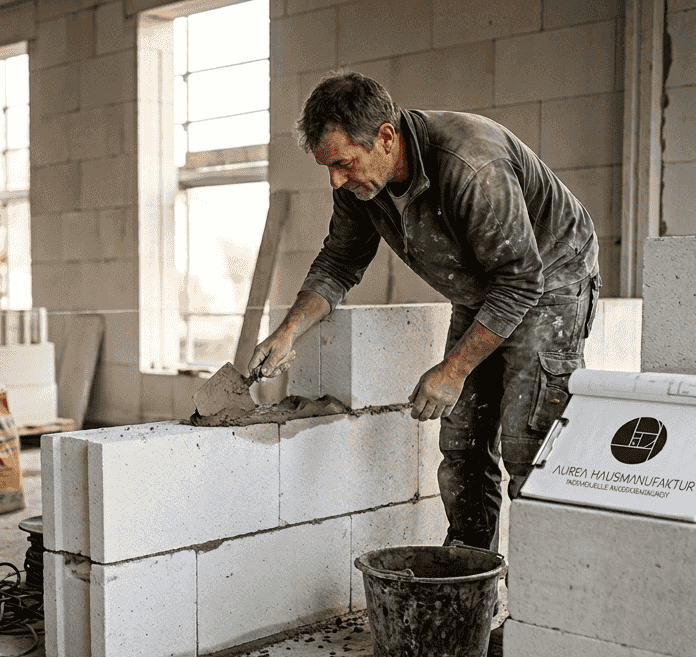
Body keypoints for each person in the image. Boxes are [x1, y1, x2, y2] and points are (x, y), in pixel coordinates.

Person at [248, 71, 600, 555]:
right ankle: (468, 581)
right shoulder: (359, 185)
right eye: (328, 167)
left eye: (344, 163)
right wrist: (288, 332)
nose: (336, 179)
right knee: (462, 443)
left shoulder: (471, 165)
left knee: (529, 446)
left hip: (550, 282)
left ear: (386, 138)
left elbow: (520, 280)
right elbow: (339, 262)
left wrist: (454, 369)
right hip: (484, 289)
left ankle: (546, 610)